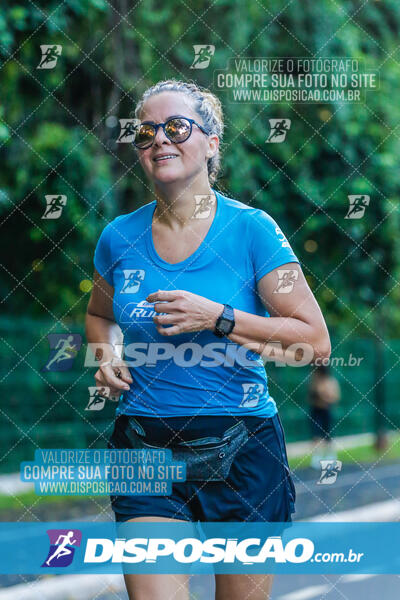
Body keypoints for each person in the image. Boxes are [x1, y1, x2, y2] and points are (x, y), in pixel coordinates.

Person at [85, 79, 331, 600]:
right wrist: (104, 356)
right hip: (145, 447)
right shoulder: (119, 237)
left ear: (212, 142)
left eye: (176, 127)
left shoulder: (253, 231)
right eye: (146, 132)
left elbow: (313, 340)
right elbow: (98, 314)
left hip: (240, 449)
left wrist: (218, 317)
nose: (159, 141)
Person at [308, 364, 341, 469]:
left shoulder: (331, 382)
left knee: (328, 435)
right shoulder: (314, 382)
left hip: (326, 410)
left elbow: (335, 397)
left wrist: (324, 396)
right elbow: (309, 398)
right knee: (316, 435)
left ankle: (331, 457)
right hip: (316, 410)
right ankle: (316, 458)